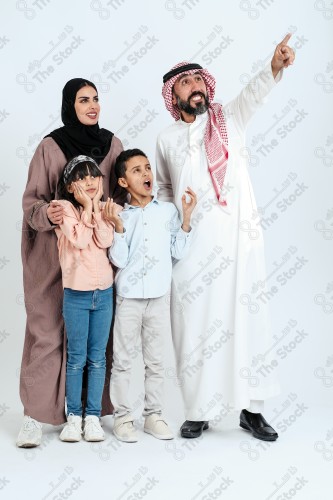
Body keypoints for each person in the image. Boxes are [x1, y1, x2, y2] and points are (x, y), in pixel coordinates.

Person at [156, 35, 295, 440]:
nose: (195, 86)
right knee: (194, 325)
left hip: (239, 238)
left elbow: (255, 93)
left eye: (199, 79)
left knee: (248, 320)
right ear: (172, 95)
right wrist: (171, 228)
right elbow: (164, 189)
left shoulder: (228, 118)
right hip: (193, 244)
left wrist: (274, 66)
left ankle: (252, 410)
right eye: (185, 83)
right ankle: (198, 410)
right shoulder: (166, 139)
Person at [17, 78, 126, 448]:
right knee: (46, 334)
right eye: (83, 100)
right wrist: (50, 212)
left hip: (97, 261)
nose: (92, 106)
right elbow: (31, 203)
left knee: (98, 345)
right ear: (69, 105)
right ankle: (34, 416)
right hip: (55, 258)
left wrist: (112, 215)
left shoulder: (111, 146)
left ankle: (92, 412)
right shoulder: (50, 146)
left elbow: (122, 196)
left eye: (96, 99)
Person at [105, 149, 196, 442]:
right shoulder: (121, 215)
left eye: (147, 168)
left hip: (158, 298)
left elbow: (178, 252)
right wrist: (118, 228)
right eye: (137, 170)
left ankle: (153, 416)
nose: (146, 174)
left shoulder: (167, 211)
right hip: (129, 299)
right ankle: (122, 418)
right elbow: (118, 260)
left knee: (156, 361)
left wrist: (187, 218)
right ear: (122, 182)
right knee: (122, 360)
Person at [55, 155, 119, 442]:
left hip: (104, 294)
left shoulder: (107, 208)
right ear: (70, 187)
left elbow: (105, 240)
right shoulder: (63, 209)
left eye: (94, 176)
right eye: (81, 178)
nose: (89, 182)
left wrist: (96, 208)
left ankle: (93, 416)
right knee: (76, 359)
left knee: (97, 359)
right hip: (76, 295)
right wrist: (90, 208)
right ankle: (74, 417)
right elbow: (79, 239)